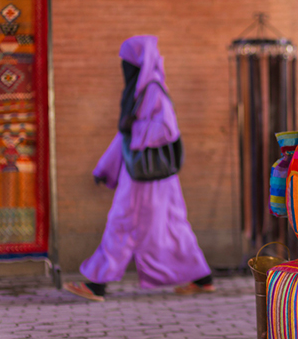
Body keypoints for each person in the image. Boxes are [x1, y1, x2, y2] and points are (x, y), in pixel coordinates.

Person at [63, 35, 214, 301]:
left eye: (126, 62)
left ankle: (97, 284)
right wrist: (105, 168)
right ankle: (203, 279)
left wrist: (135, 127)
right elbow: (125, 137)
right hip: (154, 178)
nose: (123, 67)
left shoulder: (153, 89)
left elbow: (167, 129)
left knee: (122, 223)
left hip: (143, 179)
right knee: (174, 226)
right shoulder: (140, 90)